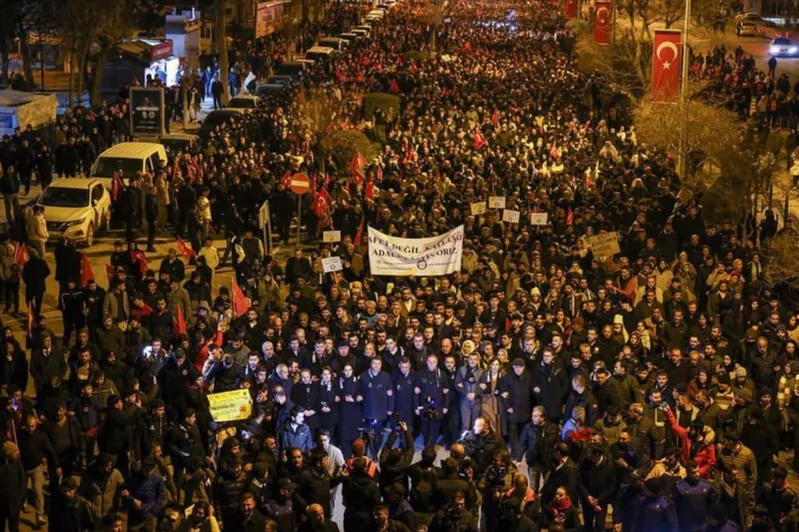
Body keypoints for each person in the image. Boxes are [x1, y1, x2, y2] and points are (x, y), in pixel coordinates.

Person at [0, 442, 25, 532]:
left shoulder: (17, 462)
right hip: (1, 503)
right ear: (8, 453)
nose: (18, 453)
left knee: (14, 528)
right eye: (15, 451)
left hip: (14, 503)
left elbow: (22, 479)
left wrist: (20, 498)